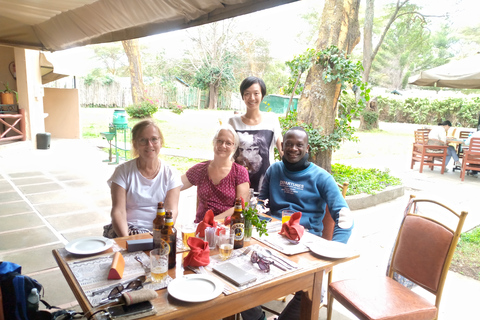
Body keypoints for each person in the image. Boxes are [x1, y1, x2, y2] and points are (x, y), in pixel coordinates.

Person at [243, 127, 354, 320]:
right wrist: (254, 232)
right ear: (282, 147)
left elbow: (344, 217)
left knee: (313, 291)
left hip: (306, 242)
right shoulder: (274, 170)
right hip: (273, 237)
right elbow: (262, 205)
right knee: (238, 275)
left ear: (307, 148)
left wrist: (334, 249)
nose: (293, 148)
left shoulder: (322, 177)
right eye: (289, 144)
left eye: (299, 145)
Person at [104, 119, 182, 238]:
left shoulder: (171, 173)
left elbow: (171, 210)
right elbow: (118, 211)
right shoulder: (123, 171)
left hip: (159, 231)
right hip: (127, 230)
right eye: (143, 140)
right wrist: (127, 240)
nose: (149, 145)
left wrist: (161, 235)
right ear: (135, 144)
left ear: (161, 142)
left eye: (154, 139)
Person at [181, 124, 250, 223]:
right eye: (220, 141)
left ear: (234, 147)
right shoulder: (200, 169)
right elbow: (175, 185)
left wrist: (212, 221)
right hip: (201, 227)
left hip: (227, 227)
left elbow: (241, 206)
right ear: (214, 143)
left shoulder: (240, 172)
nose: (223, 146)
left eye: (228, 143)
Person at [228, 76, 283, 192]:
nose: (251, 98)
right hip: (237, 183)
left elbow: (282, 150)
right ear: (243, 96)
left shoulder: (272, 119)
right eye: (247, 93)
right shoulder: (233, 122)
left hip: (266, 184)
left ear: (262, 95)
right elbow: (227, 151)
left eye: (256, 93)